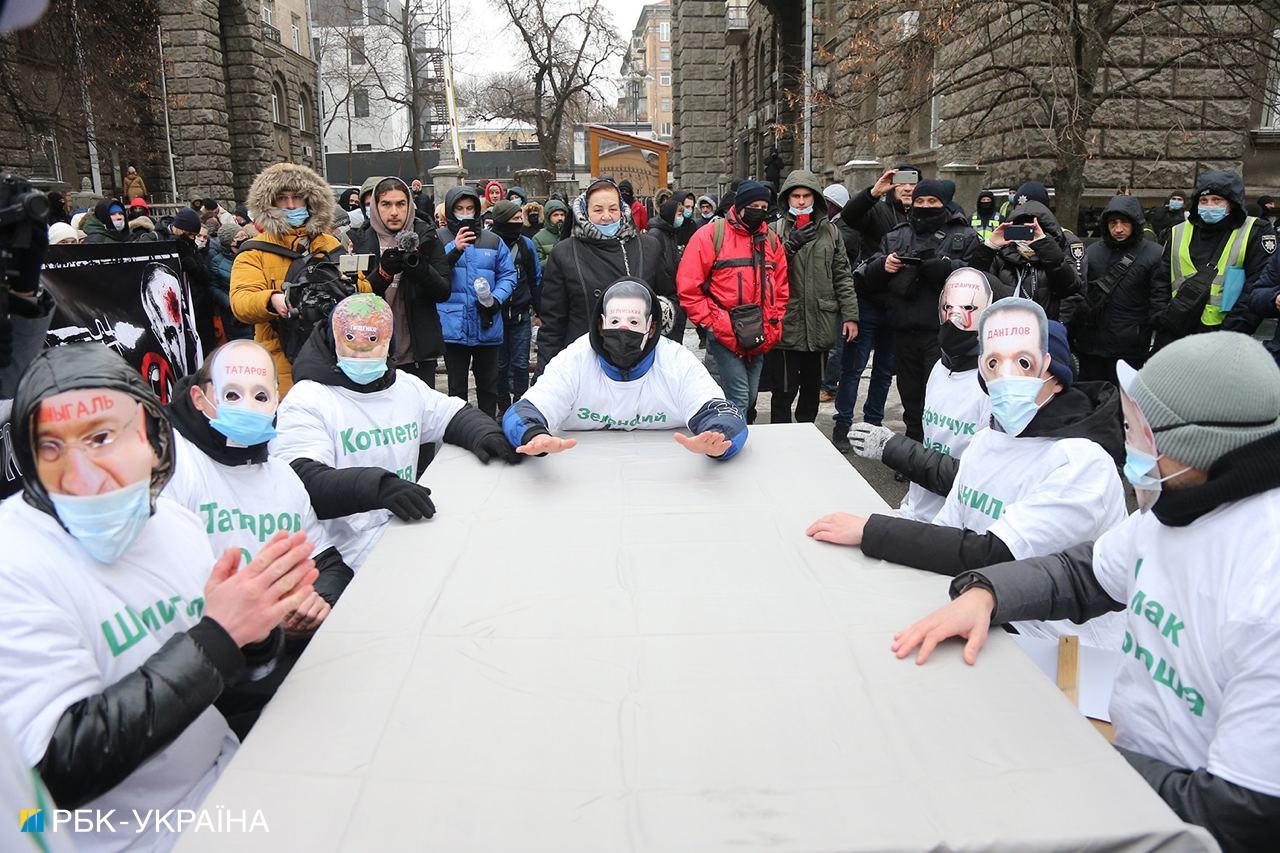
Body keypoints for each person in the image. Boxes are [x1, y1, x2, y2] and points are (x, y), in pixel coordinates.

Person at [891, 332, 1280, 852]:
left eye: (1141, 433)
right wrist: (987, 593)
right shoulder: (1179, 509)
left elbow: (1241, 811)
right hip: (1133, 771)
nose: (1129, 447)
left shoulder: (1264, 589)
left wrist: (1072, 754)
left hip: (1180, 823)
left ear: (1196, 446)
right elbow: (1085, 574)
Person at [0, 343, 316, 851]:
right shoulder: (13, 561)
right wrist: (218, 638)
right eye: (52, 449)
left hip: (229, 784)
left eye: (103, 437)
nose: (84, 475)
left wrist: (256, 637)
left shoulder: (175, 522)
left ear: (152, 438)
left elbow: (217, 676)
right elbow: (51, 771)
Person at [809, 297, 1126, 647]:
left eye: (1023, 363)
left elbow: (995, 554)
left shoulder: (1081, 462)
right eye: (993, 363)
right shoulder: (988, 440)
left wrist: (871, 530)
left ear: (1055, 374)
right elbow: (947, 527)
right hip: (973, 608)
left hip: (1060, 646)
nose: (1006, 378)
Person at [161, 341, 347, 734]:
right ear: (200, 396)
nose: (246, 405)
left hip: (283, 672)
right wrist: (268, 624)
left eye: (260, 395)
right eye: (231, 394)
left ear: (276, 402)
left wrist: (318, 602)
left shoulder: (281, 476)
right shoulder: (175, 470)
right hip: (206, 680)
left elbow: (327, 560)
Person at [270, 294, 519, 568]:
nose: (360, 352)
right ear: (332, 339)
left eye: (373, 342)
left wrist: (487, 434)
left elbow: (453, 415)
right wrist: (378, 488)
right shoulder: (308, 399)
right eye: (350, 341)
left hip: (403, 537)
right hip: (338, 555)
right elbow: (300, 481)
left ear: (390, 344)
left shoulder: (405, 387)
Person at [503, 279, 748, 460]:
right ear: (601, 325)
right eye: (615, 322)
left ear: (651, 328)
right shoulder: (575, 359)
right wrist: (533, 435)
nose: (623, 330)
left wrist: (718, 438)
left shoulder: (675, 360)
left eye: (633, 323)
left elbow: (723, 412)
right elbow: (523, 411)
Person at [849, 268, 992, 520]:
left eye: (968, 309)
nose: (955, 318)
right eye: (948, 308)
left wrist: (893, 449)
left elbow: (977, 481)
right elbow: (933, 440)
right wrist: (912, 499)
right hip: (918, 511)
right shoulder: (940, 368)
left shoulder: (992, 387)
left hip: (957, 525)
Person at [231, 162, 369, 395]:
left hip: (334, 355)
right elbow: (241, 302)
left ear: (310, 200)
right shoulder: (255, 251)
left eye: (297, 197)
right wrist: (272, 300)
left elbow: (364, 292)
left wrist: (350, 285)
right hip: (282, 361)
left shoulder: (331, 244)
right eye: (282, 198)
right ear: (269, 203)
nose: (292, 205)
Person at [860, 179, 979, 443]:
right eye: (920, 202)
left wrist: (947, 268)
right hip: (903, 330)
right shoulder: (896, 235)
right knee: (910, 395)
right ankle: (913, 446)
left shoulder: (965, 235)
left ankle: (938, 447)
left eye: (932, 202)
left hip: (945, 333)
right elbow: (867, 279)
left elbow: (979, 276)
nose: (925, 206)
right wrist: (883, 266)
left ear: (944, 204)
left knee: (940, 396)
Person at [676, 180, 789, 414]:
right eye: (753, 205)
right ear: (740, 206)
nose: (759, 211)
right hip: (725, 331)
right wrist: (713, 323)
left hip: (759, 332)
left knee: (751, 396)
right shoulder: (709, 236)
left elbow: (780, 287)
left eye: (763, 206)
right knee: (738, 396)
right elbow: (689, 287)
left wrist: (774, 322)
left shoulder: (771, 240)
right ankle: (733, 441)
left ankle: (738, 434)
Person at [537, 178, 673, 369]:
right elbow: (553, 322)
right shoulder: (566, 252)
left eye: (613, 209)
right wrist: (545, 374)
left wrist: (663, 313)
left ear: (622, 209)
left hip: (641, 357)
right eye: (598, 210)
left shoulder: (648, 247)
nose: (607, 216)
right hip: (585, 360)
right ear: (585, 212)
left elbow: (669, 295)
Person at [767, 169, 859, 424]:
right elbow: (766, 273)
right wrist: (789, 247)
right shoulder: (774, 230)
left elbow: (843, 276)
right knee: (783, 392)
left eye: (806, 196)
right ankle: (781, 439)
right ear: (786, 199)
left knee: (811, 390)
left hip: (820, 323)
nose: (800, 201)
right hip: (786, 324)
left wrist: (851, 316)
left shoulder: (831, 232)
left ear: (815, 199)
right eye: (795, 196)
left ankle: (807, 438)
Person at [1152, 170, 1275, 350]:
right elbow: (1160, 280)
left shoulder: (1255, 232)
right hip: (1174, 332)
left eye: (1217, 200)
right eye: (1204, 200)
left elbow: (1256, 285)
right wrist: (1161, 319)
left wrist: (1232, 332)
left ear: (1232, 203)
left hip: (1224, 336)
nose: (1209, 205)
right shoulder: (1177, 231)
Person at [352, 177, 452, 391]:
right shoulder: (359, 240)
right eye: (386, 204)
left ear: (410, 205)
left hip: (417, 350)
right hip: (372, 352)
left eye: (400, 204)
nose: (394, 212)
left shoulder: (426, 236)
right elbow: (352, 300)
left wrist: (419, 268)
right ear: (375, 207)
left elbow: (443, 291)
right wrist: (383, 274)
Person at [437, 186, 517, 417]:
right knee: (456, 388)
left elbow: (508, 275)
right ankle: (458, 429)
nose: (465, 214)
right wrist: (455, 247)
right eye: (459, 209)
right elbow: (433, 270)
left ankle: (488, 428)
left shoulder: (493, 240)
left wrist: (496, 299)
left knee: (488, 386)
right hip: (453, 325)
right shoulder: (439, 238)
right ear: (450, 212)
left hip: (487, 322)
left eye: (470, 209)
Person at [1069, 195, 1164, 384]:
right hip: (1092, 347)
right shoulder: (1093, 252)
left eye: (1124, 223)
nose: (1118, 229)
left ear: (1135, 224)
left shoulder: (1154, 254)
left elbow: (1158, 301)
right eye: (1113, 223)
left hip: (1130, 349)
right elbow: (1080, 295)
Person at [969, 197, 1084, 323]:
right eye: (1019, 229)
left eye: (1031, 230)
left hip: (1043, 331)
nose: (1025, 236)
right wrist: (990, 246)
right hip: (1004, 330)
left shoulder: (1056, 254)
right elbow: (974, 284)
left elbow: (1070, 287)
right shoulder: (1001, 257)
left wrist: (1044, 245)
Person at [487, 200, 541, 414]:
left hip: (520, 314)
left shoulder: (526, 245)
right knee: (499, 366)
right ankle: (502, 405)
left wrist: (539, 310)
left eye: (520, 219)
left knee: (520, 364)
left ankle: (520, 404)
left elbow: (535, 279)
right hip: (495, 314)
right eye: (514, 219)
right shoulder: (489, 242)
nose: (518, 223)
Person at [533, 198, 568, 265]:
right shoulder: (538, 239)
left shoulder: (572, 234)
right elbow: (537, 266)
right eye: (555, 215)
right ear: (548, 217)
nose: (560, 218)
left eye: (562, 215)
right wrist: (555, 257)